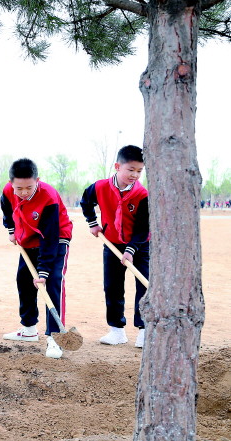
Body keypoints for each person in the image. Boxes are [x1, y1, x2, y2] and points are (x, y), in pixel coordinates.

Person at [1, 158, 73, 359]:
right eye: (19, 188)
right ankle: (29, 329)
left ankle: (55, 336)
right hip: (28, 239)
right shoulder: (8, 191)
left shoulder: (48, 197)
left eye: (29, 187)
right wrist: (11, 230)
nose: (24, 192)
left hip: (56, 238)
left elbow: (50, 236)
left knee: (52, 282)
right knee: (24, 280)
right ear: (11, 183)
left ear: (37, 181)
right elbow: (6, 207)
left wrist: (43, 270)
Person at [80, 145, 149, 348]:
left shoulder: (143, 194)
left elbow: (143, 228)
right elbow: (86, 201)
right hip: (111, 244)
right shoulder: (100, 187)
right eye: (131, 169)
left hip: (140, 246)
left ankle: (144, 330)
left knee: (144, 286)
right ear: (118, 167)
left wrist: (131, 250)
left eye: (139, 171)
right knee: (112, 287)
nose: (135, 175)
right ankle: (117, 330)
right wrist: (93, 223)